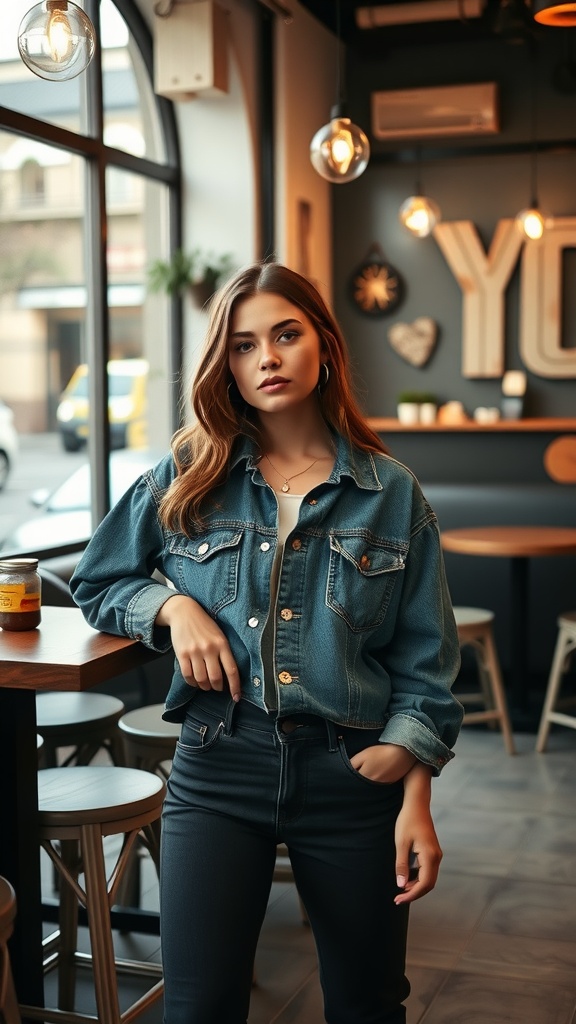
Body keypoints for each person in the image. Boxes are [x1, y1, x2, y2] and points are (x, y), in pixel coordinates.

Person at [70, 261, 463, 1024]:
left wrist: (412, 787)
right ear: (227, 364)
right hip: (219, 765)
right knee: (198, 1007)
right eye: (245, 346)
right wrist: (173, 606)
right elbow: (98, 580)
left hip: (354, 774)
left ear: (324, 345)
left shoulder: (392, 494)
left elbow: (426, 664)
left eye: (285, 335)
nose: (268, 359)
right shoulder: (188, 473)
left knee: (368, 1004)